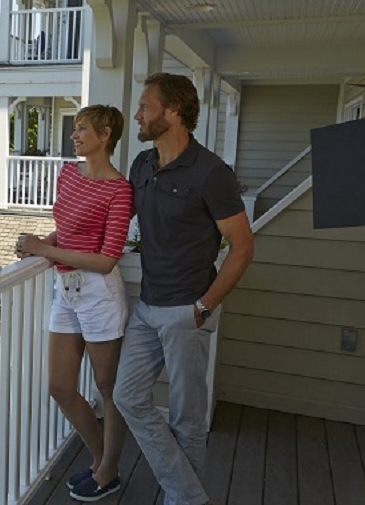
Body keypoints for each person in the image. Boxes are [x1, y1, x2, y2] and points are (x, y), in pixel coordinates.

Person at [113, 73, 254, 505]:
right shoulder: (142, 165)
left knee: (187, 419)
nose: (137, 114)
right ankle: (191, 496)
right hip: (147, 306)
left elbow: (243, 246)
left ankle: (182, 500)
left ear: (173, 111)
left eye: (145, 106)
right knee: (127, 397)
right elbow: (114, 216)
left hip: (186, 312)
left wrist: (204, 307)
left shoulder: (211, 173)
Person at [16, 104, 133, 502]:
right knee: (60, 387)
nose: (74, 135)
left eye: (82, 128)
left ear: (105, 135)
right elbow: (67, 230)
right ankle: (101, 460)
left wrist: (44, 250)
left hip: (99, 295)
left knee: (108, 389)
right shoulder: (68, 174)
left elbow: (106, 259)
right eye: (75, 128)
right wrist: (45, 243)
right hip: (65, 290)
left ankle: (108, 471)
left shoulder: (120, 190)